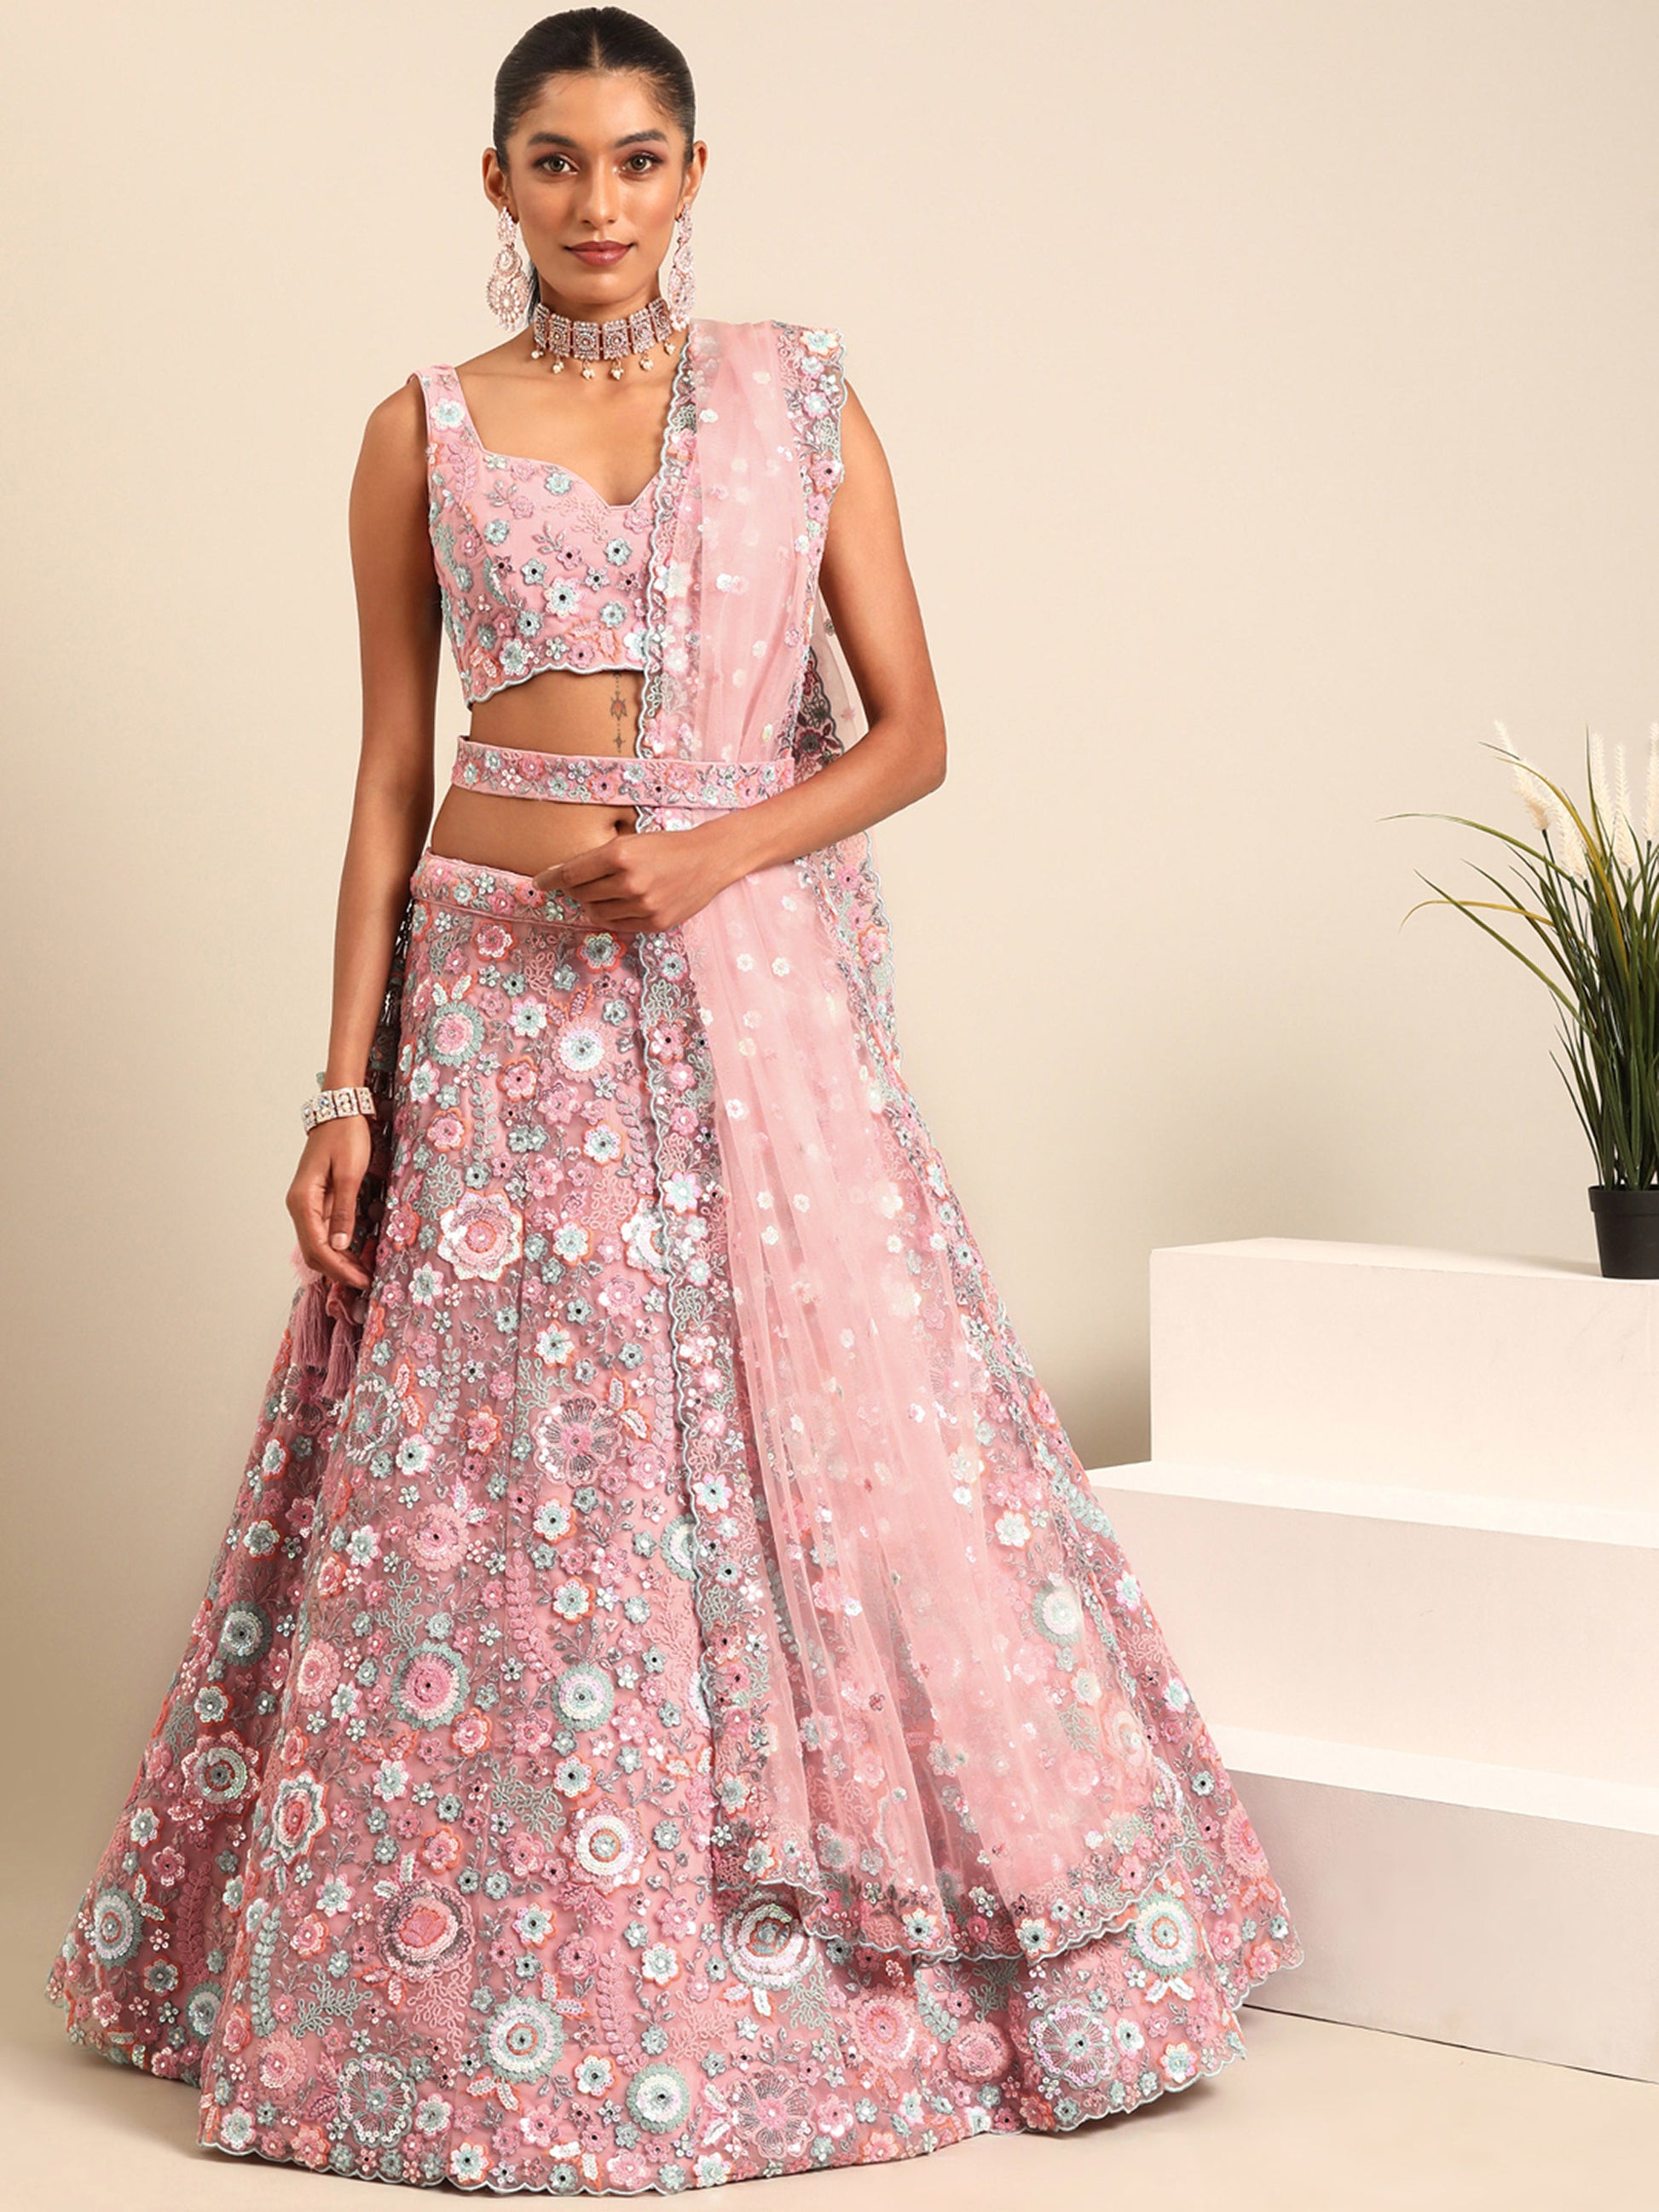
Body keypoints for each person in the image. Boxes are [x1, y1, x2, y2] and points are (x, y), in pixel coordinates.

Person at [43, 8, 1304, 2191]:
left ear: (694, 175)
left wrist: (710, 857)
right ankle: (469, 1991)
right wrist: (343, 1081)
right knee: (516, 1477)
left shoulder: (796, 399)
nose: (598, 200)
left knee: (764, 1431)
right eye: (555, 160)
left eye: (637, 159)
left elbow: (909, 733)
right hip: (493, 1007)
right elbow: (386, 774)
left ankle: (780, 1955)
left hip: (738, 997)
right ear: (495, 181)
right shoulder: (421, 429)